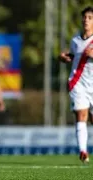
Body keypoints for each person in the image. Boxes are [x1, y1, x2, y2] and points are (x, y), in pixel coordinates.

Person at [60, 6, 93, 163]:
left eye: (89, 18)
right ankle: (83, 151)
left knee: (90, 119)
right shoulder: (75, 39)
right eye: (84, 17)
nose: (86, 20)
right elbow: (76, 57)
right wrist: (65, 57)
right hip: (78, 83)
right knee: (81, 115)